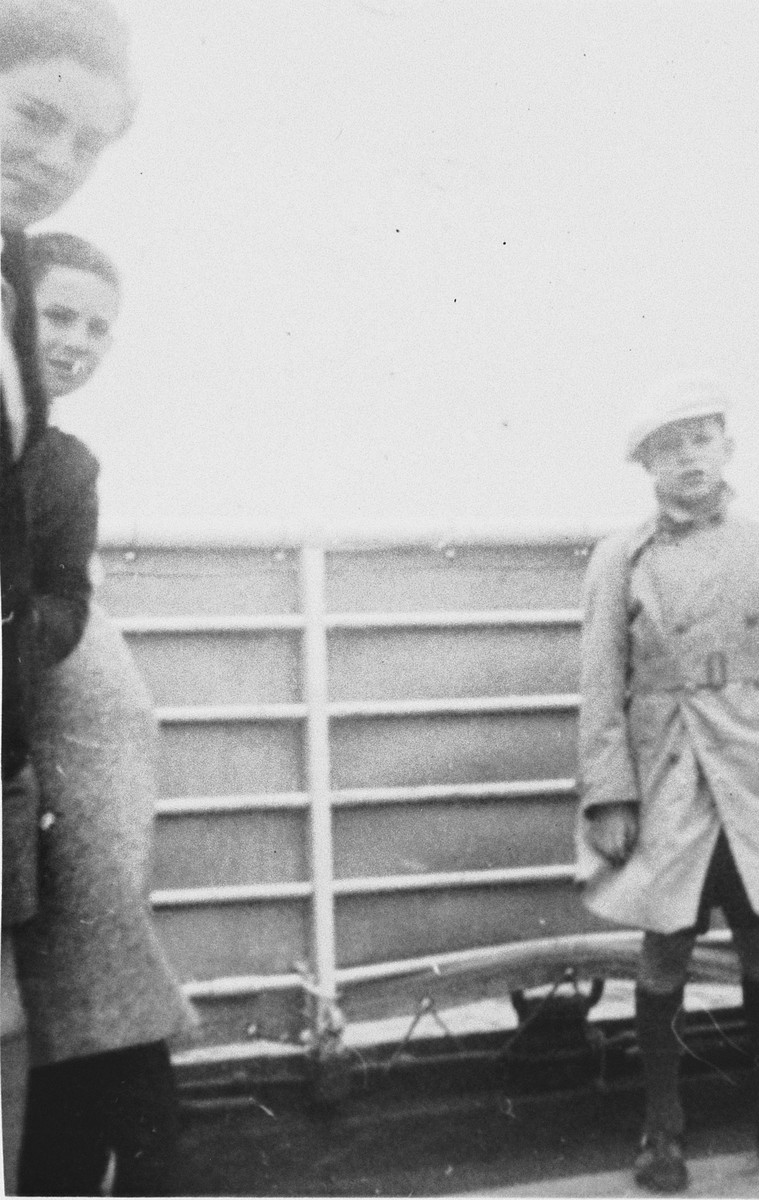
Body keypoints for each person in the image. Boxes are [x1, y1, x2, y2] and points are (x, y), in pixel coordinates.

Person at [575, 374, 759, 1193]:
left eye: (701, 439)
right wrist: (610, 795)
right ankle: (660, 1133)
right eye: (668, 447)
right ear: (646, 467)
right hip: (669, 772)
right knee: (663, 941)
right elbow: (600, 685)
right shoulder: (619, 558)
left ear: (727, 449)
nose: (688, 458)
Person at [15, 232, 194, 1196]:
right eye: (57, 316)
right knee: (75, 1000)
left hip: (78, 754)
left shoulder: (63, 463)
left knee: (90, 989)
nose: (80, 342)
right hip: (48, 739)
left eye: (99, 328)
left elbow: (56, 608)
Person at [1, 0, 134, 1186]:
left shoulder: (65, 460)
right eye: (34, 117)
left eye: (82, 144)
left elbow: (60, 600)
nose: (53, 158)